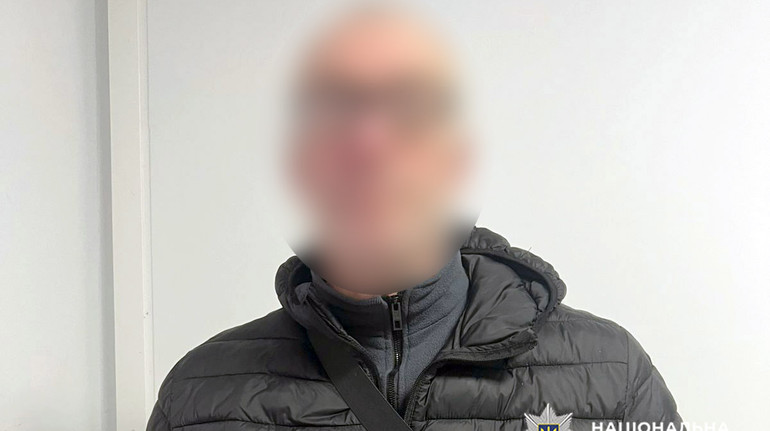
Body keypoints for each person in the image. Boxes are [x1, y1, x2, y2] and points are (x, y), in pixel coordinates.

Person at [147, 6, 682, 431]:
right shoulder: (200, 396)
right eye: (332, 112)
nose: (369, 144)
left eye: (409, 109)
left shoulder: (615, 376)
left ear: (459, 161)